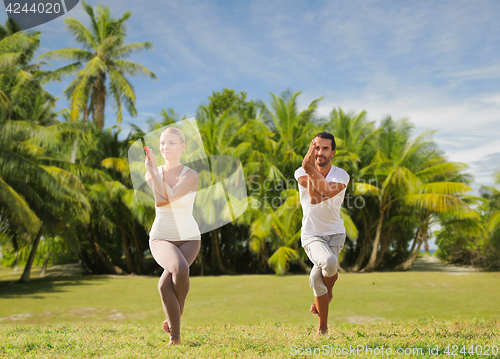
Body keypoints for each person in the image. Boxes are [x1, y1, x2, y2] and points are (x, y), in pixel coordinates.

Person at [144, 127, 201, 346]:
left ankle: (174, 338)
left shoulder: (191, 175)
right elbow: (161, 202)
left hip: (189, 238)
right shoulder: (152, 171)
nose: (165, 147)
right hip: (161, 237)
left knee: (163, 286)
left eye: (171, 143)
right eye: (162, 143)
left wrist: (155, 175)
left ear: (183, 147)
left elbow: (172, 196)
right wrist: (153, 172)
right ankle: (181, 308)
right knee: (180, 268)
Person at [294, 132, 350, 335]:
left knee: (318, 278)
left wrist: (310, 168)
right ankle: (325, 315)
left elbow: (322, 195)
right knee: (328, 262)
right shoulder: (300, 171)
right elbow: (314, 198)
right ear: (311, 149)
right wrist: (308, 167)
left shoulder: (341, 175)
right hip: (312, 235)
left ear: (333, 152)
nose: (320, 152)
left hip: (335, 234)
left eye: (325, 148)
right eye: (316, 147)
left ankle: (323, 320)